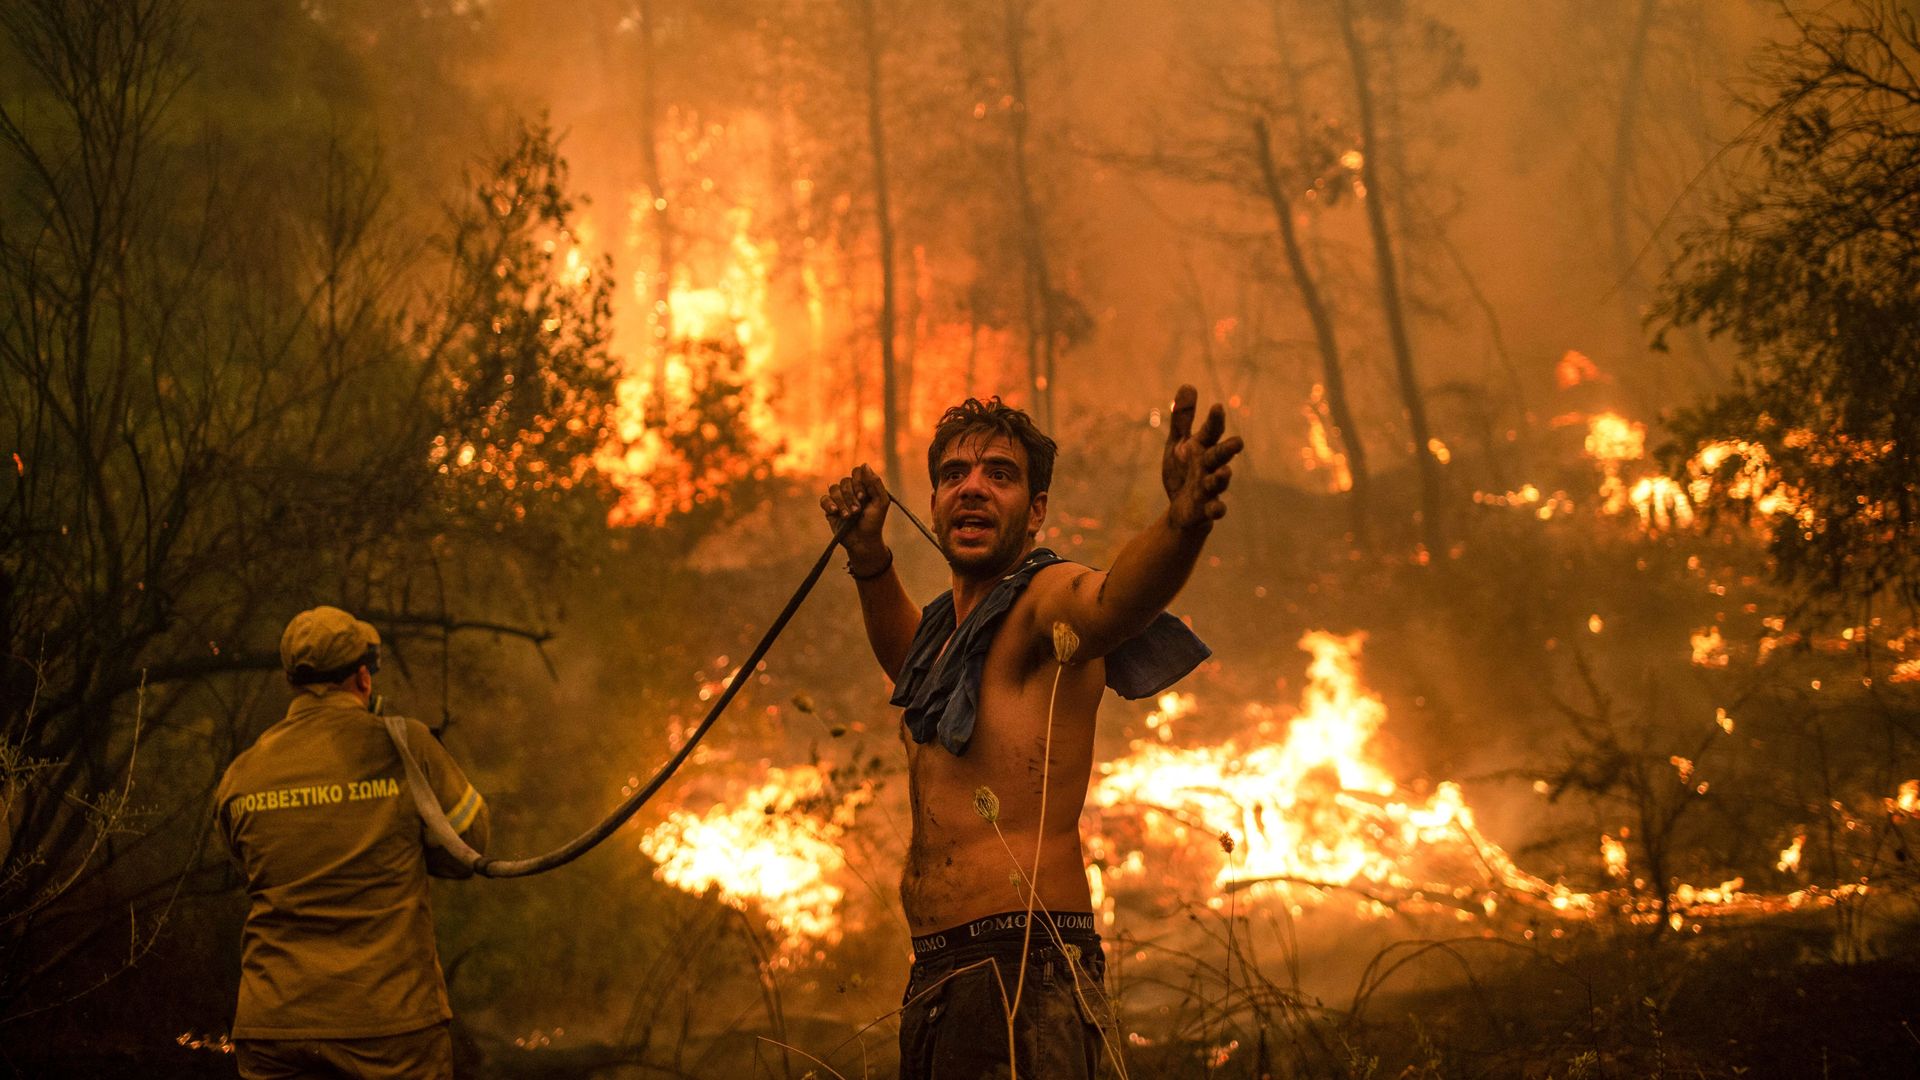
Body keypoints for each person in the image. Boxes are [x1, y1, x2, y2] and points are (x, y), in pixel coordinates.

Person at [821, 386, 1243, 1078]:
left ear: (1036, 510)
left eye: (1000, 475)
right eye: (954, 475)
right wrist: (869, 558)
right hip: (939, 975)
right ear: (931, 504)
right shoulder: (943, 640)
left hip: (1024, 969)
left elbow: (1109, 603)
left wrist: (1182, 522)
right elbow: (909, 668)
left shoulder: (1044, 604)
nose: (973, 489)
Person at [215, 606, 489, 1080]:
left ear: (292, 680)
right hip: (388, 1028)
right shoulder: (406, 745)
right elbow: (469, 847)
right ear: (363, 678)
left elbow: (249, 868)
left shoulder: (242, 772)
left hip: (275, 1026)